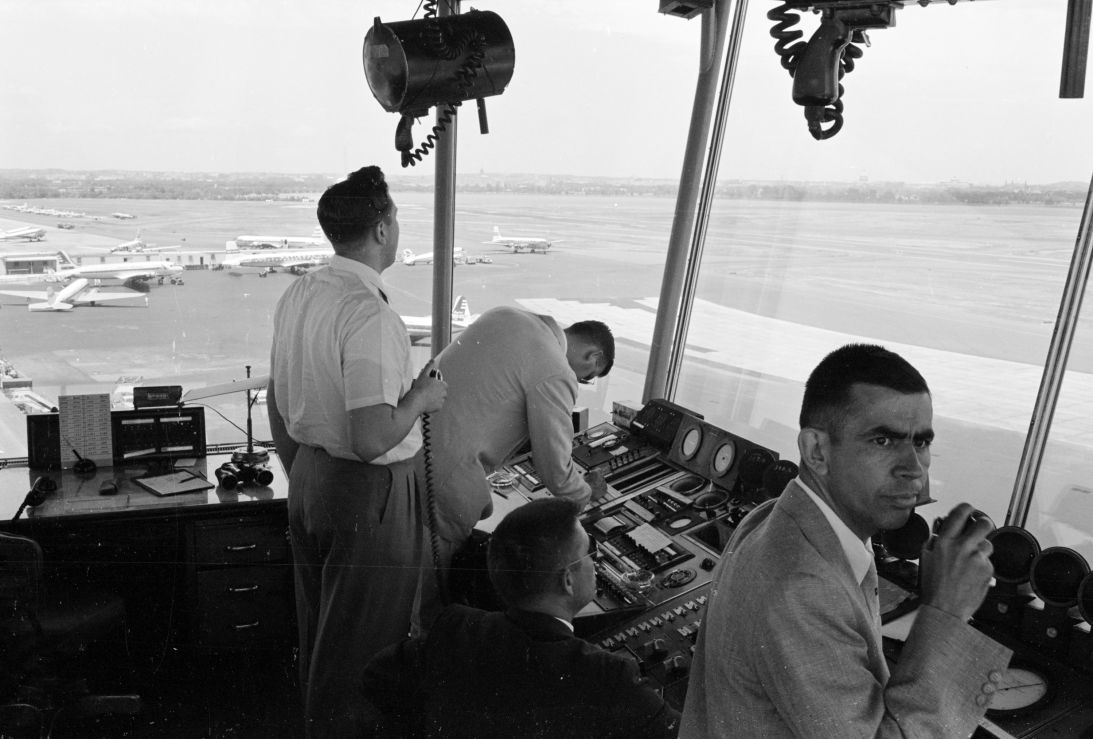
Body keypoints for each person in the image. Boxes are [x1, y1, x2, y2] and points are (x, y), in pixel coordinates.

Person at [679, 343, 1013, 738]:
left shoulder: (776, 516)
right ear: (817, 450)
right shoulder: (802, 589)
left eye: (921, 442)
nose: (915, 471)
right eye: (883, 441)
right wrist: (948, 611)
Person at [266, 165, 447, 738]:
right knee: (366, 651)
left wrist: (304, 470)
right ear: (381, 229)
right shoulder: (369, 313)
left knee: (320, 632)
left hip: (312, 477)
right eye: (394, 217)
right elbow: (372, 438)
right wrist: (422, 397)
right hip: (367, 494)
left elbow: (277, 394)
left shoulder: (300, 293)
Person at [359, 497, 681, 738]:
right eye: (589, 551)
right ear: (567, 580)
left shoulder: (457, 628)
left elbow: (374, 678)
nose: (594, 560)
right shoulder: (607, 676)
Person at [417, 306, 614, 620]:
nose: (580, 380)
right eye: (587, 377)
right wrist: (586, 492)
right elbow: (558, 475)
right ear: (594, 356)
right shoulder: (555, 368)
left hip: (410, 458)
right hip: (444, 486)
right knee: (432, 604)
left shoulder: (505, 315)